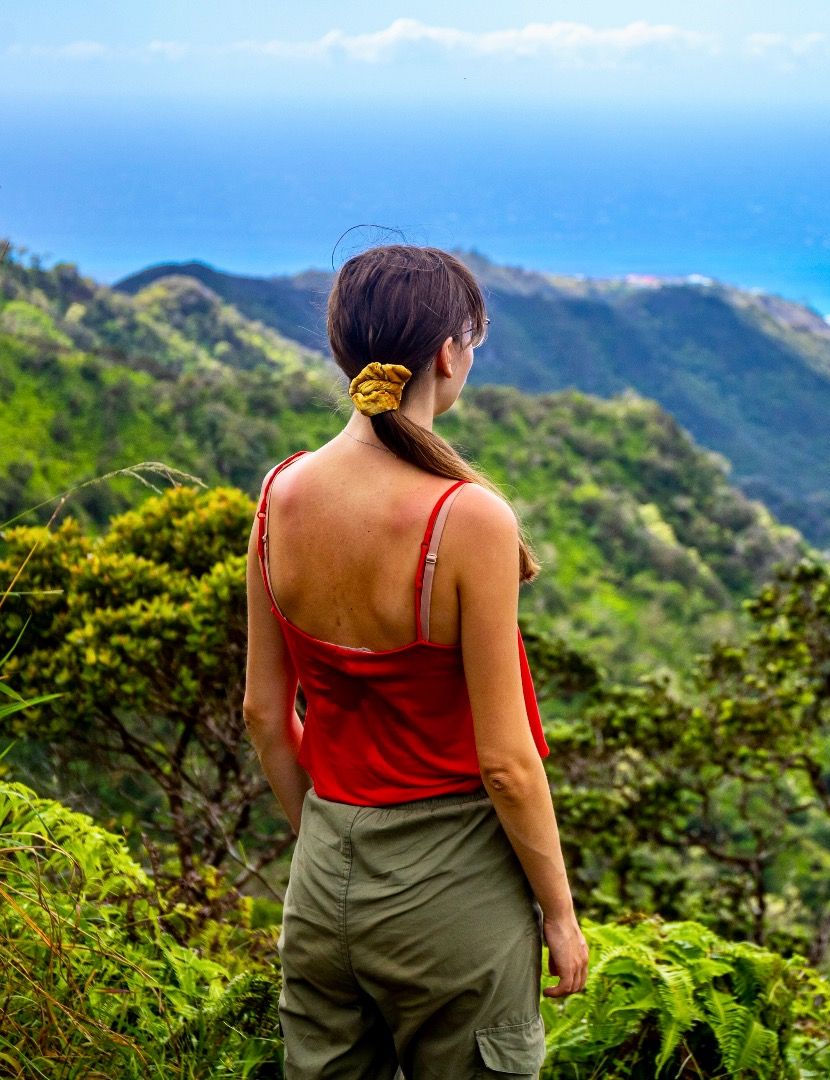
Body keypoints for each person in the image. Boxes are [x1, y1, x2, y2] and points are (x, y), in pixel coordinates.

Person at [241, 244, 588, 1079]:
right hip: (453, 898)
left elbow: (263, 713)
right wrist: (560, 916)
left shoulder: (281, 491)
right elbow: (506, 764)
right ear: (447, 354)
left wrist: (327, 843)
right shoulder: (467, 517)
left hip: (323, 887)